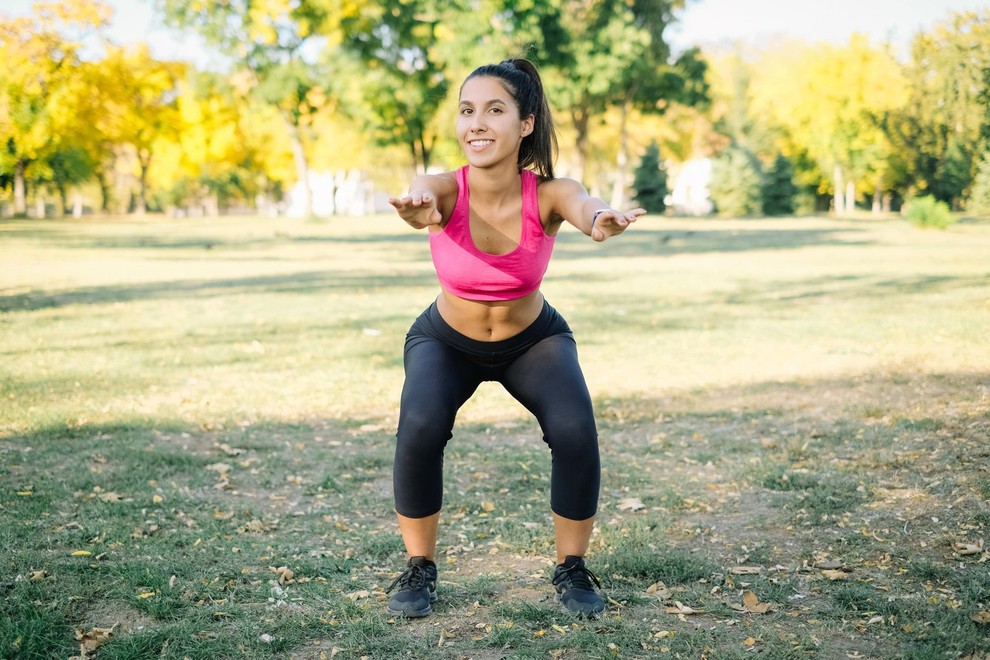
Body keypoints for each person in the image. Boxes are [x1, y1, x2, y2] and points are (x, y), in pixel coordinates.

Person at [385, 58, 645, 619]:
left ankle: (572, 568)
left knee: (575, 429)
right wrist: (417, 211)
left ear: (525, 123)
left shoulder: (549, 193)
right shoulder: (441, 188)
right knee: (422, 424)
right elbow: (420, 197)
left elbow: (584, 205)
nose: (476, 123)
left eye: (494, 110)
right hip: (446, 339)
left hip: (531, 340)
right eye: (467, 110)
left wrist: (601, 218)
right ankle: (419, 567)